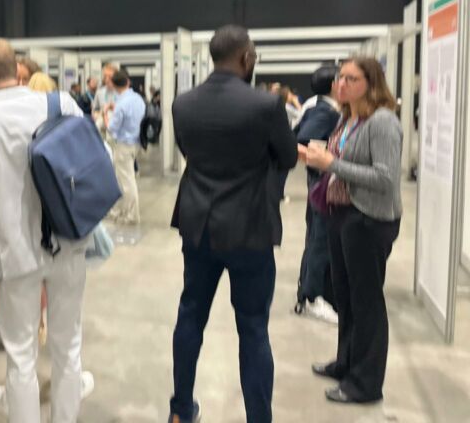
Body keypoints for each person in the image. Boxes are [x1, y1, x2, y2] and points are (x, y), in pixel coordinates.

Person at [0, 38, 89, 422]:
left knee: (21, 355)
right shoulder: (62, 104)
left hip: (13, 253)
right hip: (68, 241)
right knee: (68, 346)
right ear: (16, 68)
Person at [168, 25, 297, 423]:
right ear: (246, 57)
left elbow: (188, 152)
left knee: (190, 314)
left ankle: (180, 411)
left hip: (199, 225)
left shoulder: (183, 103)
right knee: (254, 327)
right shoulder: (266, 105)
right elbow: (288, 157)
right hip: (249, 228)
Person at [304, 57, 402, 405]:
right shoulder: (348, 118)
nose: (341, 84)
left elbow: (385, 178)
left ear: (371, 83)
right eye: (340, 77)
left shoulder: (382, 122)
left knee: (366, 302)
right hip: (342, 215)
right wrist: (318, 158)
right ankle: (346, 363)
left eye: (351, 78)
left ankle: (366, 383)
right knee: (344, 296)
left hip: (369, 219)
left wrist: (332, 164)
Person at [293, 65, 341, 324]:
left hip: (320, 182)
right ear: (334, 84)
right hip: (322, 184)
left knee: (317, 237)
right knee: (319, 239)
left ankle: (309, 293)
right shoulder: (324, 111)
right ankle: (312, 296)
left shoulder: (321, 107)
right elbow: (303, 139)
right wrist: (324, 162)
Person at [103, 70, 146, 227]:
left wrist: (105, 113)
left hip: (123, 146)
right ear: (127, 82)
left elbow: (111, 128)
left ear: (114, 86)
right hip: (135, 143)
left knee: (127, 182)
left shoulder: (121, 104)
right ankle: (120, 210)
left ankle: (132, 216)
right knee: (123, 179)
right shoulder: (137, 99)